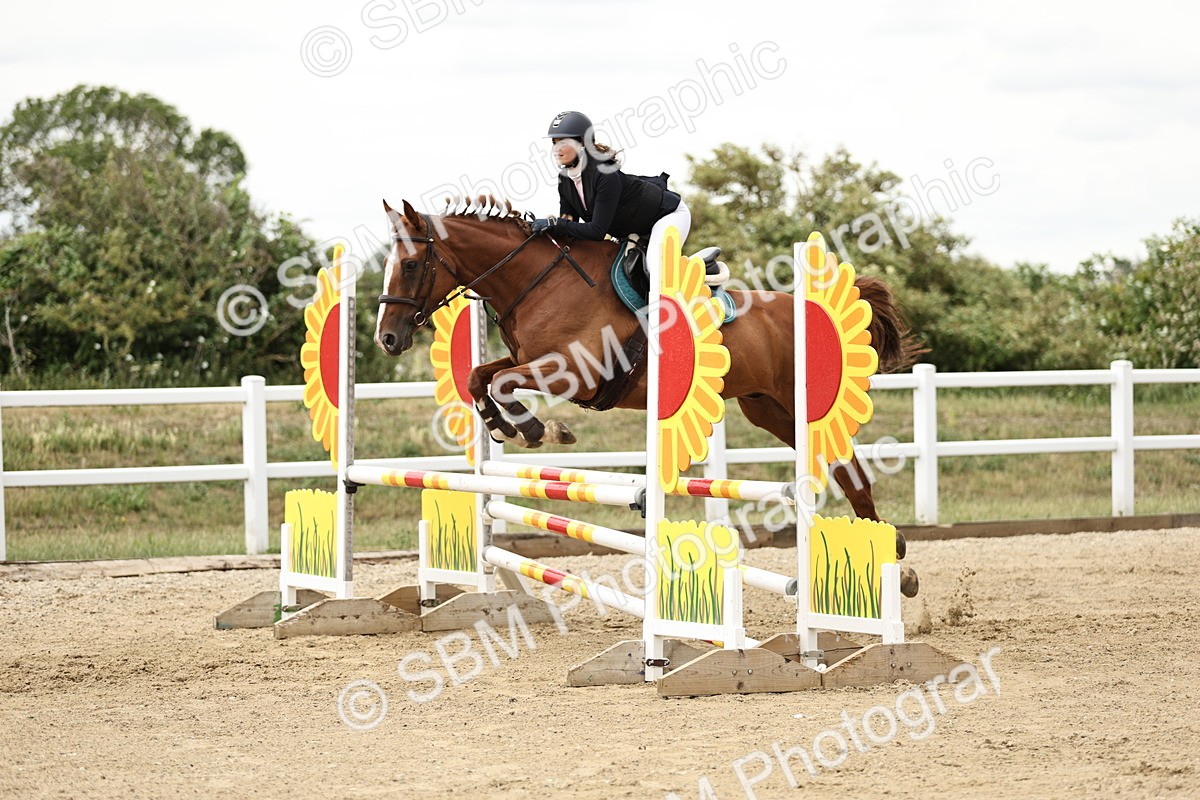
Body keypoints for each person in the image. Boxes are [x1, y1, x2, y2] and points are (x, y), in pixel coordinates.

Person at [531, 111, 690, 283]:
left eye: (563, 143)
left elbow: (597, 231)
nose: (556, 149)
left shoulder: (605, 174)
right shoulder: (565, 179)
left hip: (667, 216)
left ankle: (668, 309)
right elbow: (569, 223)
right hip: (632, 230)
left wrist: (556, 224)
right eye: (554, 143)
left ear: (582, 143)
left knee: (654, 267)